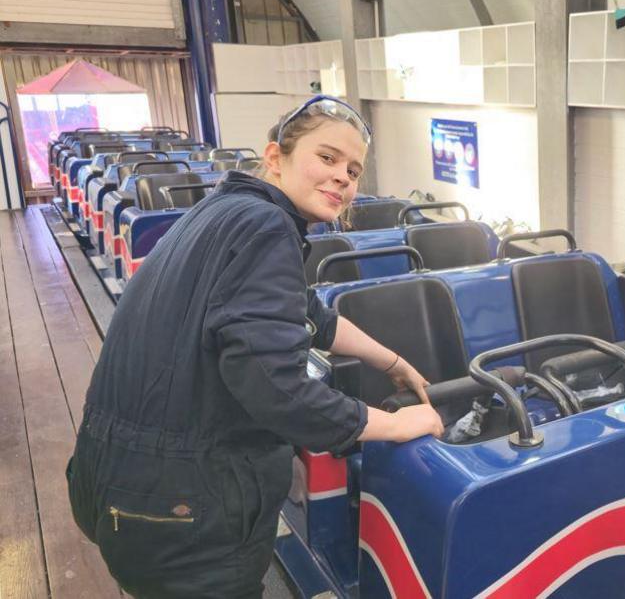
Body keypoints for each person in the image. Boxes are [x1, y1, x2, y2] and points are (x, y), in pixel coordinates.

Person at [66, 95, 444, 598]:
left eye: (353, 171)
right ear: (274, 157)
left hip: (121, 483)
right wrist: (396, 425)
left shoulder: (227, 210)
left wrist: (392, 361)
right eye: (327, 158)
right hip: (179, 511)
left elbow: (307, 312)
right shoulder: (265, 228)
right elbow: (279, 392)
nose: (343, 179)